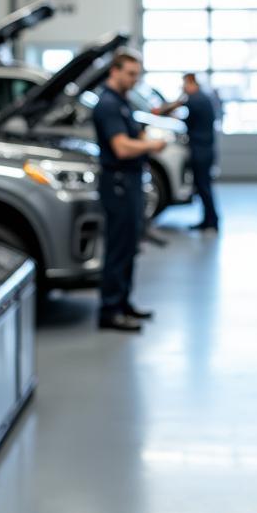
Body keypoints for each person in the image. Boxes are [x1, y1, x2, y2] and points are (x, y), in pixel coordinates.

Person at [92, 49, 167, 332]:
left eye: (138, 74)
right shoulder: (108, 104)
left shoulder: (123, 102)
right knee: (119, 247)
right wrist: (152, 146)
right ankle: (110, 309)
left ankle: (123, 302)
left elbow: (134, 134)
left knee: (130, 245)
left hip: (131, 182)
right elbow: (121, 147)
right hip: (119, 183)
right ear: (115, 70)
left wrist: (144, 137)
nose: (135, 79)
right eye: (130, 74)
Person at [155, 73, 220, 231]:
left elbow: (181, 114)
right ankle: (208, 220)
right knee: (203, 186)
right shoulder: (202, 97)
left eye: (184, 84)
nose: (183, 88)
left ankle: (211, 221)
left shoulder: (195, 99)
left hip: (200, 150)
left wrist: (166, 111)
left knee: (203, 186)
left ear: (190, 82)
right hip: (205, 148)